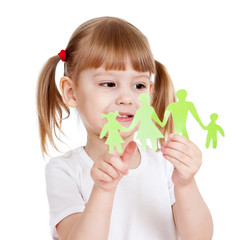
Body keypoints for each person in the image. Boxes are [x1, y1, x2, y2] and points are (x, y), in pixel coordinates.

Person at [37, 17, 213, 240]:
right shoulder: (65, 170)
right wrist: (103, 189)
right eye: (109, 84)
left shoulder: (165, 166)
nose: (127, 98)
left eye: (138, 85)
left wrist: (186, 184)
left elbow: (199, 237)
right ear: (71, 92)